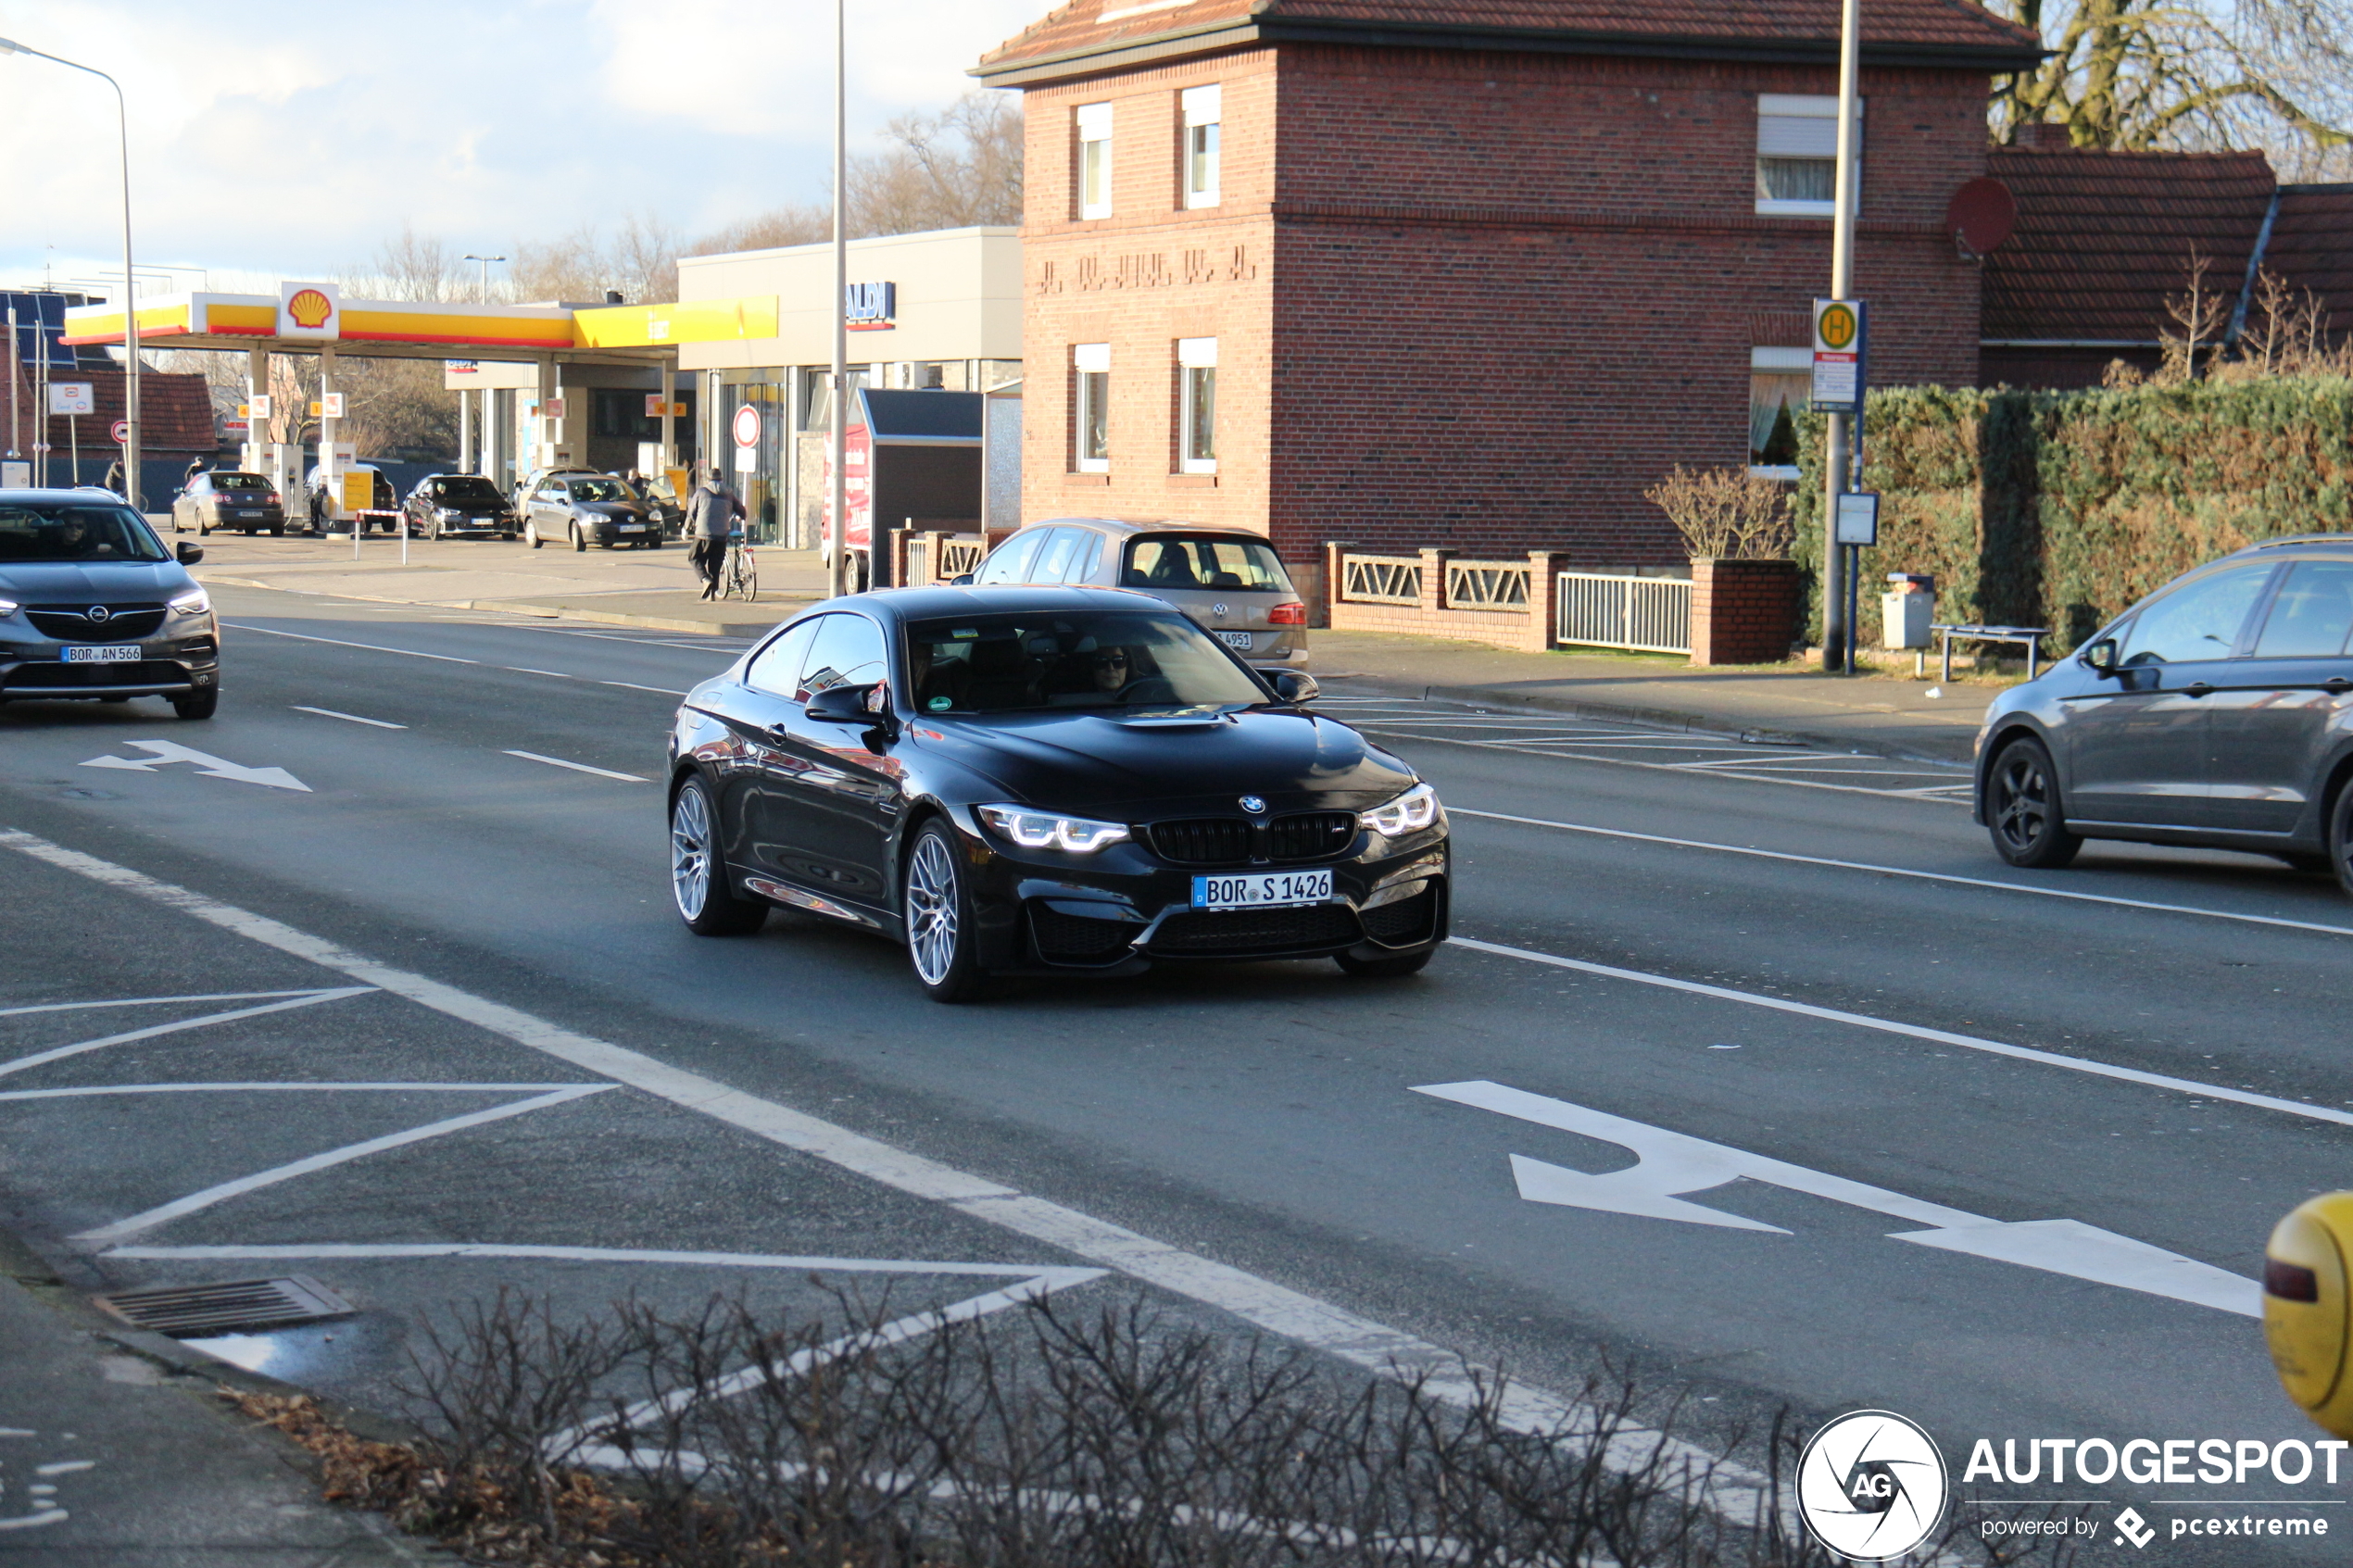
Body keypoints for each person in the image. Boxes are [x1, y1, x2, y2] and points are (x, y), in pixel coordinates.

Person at [684, 465, 743, 599]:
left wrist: (688, 526)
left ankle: (705, 579)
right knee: (715, 565)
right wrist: (743, 516)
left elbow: (692, 511)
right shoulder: (729, 493)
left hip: (704, 533)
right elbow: (740, 509)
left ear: (709, 479)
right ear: (721, 479)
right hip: (722, 534)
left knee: (693, 557)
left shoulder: (701, 492)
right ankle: (712, 596)